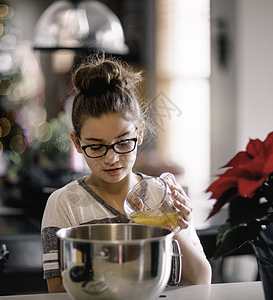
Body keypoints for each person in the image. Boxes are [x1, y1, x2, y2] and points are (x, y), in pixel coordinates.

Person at [41, 54, 212, 293]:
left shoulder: (162, 196)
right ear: (77, 143)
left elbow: (201, 281)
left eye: (122, 143)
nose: (111, 158)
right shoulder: (64, 204)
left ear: (139, 133)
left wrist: (173, 228)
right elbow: (59, 290)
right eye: (96, 146)